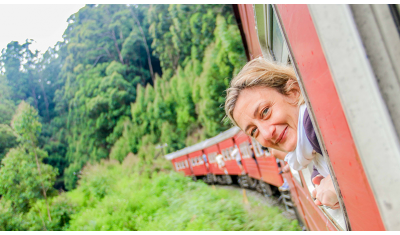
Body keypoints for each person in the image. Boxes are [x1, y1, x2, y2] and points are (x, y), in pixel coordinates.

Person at [225, 57, 339, 210]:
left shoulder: (315, 125)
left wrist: (338, 181)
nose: (266, 134)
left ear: (293, 92)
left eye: (265, 111)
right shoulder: (308, 148)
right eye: (254, 131)